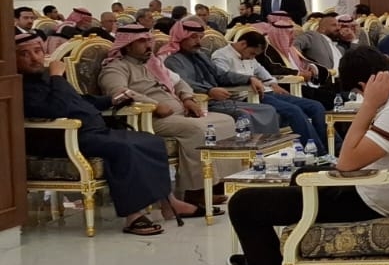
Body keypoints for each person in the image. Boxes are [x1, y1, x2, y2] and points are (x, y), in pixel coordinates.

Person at [227, 46, 389, 265]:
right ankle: (282, 264)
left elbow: (346, 163)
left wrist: (369, 105)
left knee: (243, 204)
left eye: (360, 93)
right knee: (302, 175)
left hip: (373, 199)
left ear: (365, 85)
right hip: (383, 186)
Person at [18, 32, 194, 235]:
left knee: (151, 141)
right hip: (63, 138)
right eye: (25, 54)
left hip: (92, 132)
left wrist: (113, 100)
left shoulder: (46, 77)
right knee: (124, 149)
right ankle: (133, 216)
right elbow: (55, 109)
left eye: (38, 51)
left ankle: (169, 203)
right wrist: (57, 77)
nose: (34, 58)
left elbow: (78, 100)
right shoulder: (20, 85)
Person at [98, 24, 240, 208]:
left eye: (149, 40)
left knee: (226, 121)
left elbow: (179, 82)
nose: (148, 45)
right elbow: (118, 93)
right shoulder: (115, 68)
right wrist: (155, 105)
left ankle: (216, 183)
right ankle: (195, 191)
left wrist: (188, 98)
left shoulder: (152, 64)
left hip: (178, 113)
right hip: (148, 119)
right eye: (142, 41)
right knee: (198, 130)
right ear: (127, 45)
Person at [212, 30, 330, 153]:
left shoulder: (249, 55)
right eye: (252, 53)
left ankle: (330, 149)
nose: (252, 57)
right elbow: (223, 78)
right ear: (243, 44)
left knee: (316, 106)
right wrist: (249, 79)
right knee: (294, 111)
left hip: (267, 91)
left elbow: (260, 69)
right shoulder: (221, 56)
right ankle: (317, 153)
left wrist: (273, 83)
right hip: (249, 96)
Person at [160, 17, 281, 137]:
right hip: (200, 103)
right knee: (243, 115)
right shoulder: (172, 60)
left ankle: (267, 148)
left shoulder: (199, 55)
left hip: (218, 101)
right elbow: (184, 83)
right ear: (181, 37)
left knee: (268, 109)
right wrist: (209, 91)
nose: (198, 42)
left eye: (200, 37)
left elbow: (220, 74)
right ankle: (248, 148)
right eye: (194, 37)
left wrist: (249, 79)